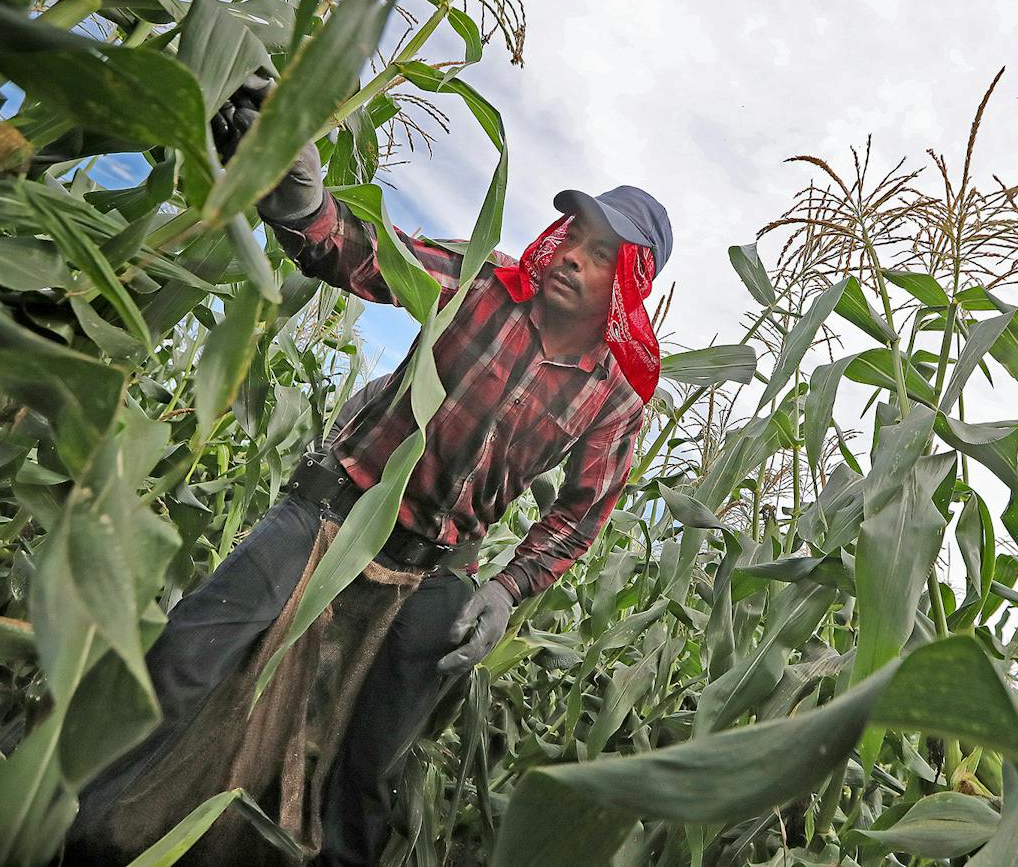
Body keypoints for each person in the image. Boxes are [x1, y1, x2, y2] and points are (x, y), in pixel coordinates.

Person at [68, 77, 673, 865]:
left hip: (436, 567)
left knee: (369, 771)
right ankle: (73, 832)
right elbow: (365, 256)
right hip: (333, 508)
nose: (573, 260)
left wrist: (504, 589)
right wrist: (301, 201)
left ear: (628, 283)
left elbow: (579, 517)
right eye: (575, 238)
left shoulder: (614, 395)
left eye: (601, 256)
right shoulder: (482, 279)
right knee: (182, 661)